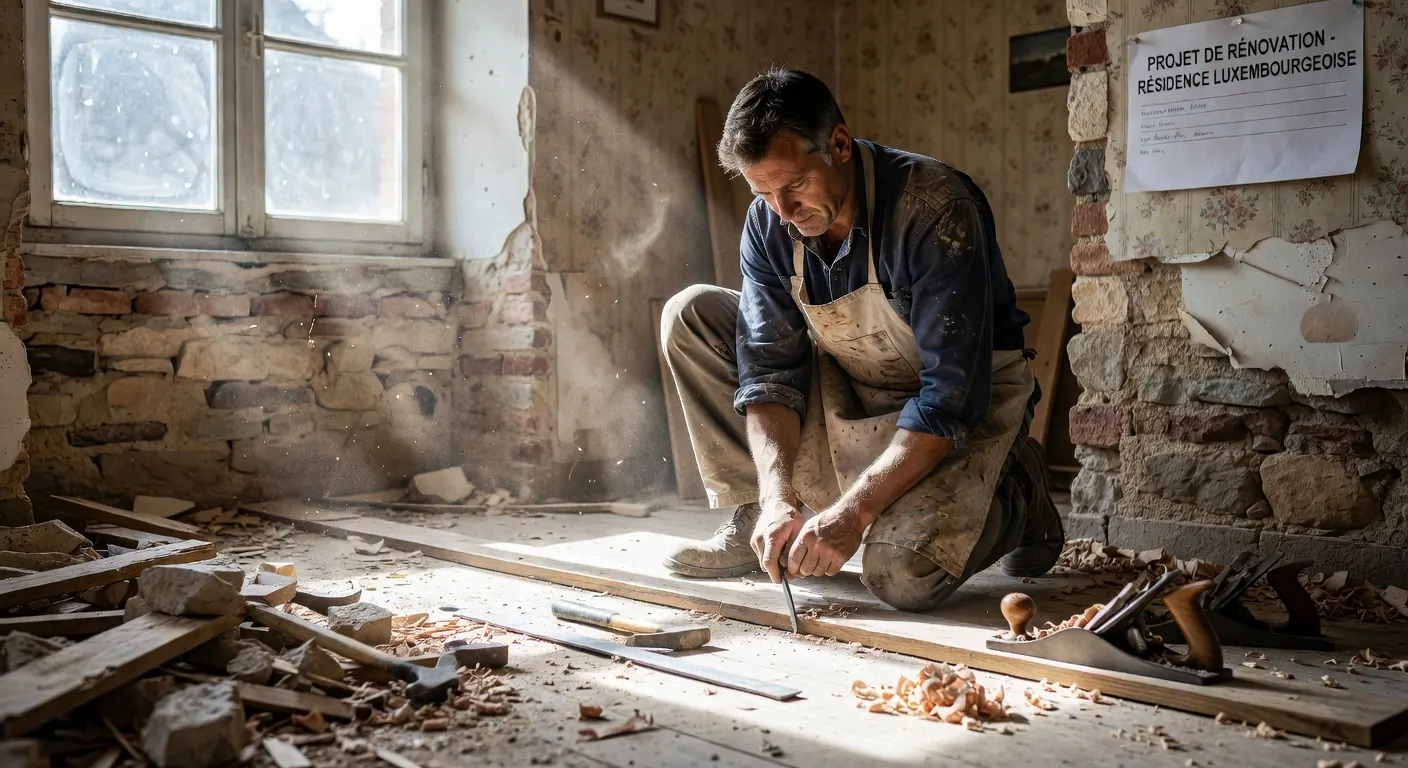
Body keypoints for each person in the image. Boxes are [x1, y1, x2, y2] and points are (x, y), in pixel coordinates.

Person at [658, 67, 1063, 612]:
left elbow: (950, 397)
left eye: (796, 185)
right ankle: (758, 513)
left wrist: (851, 517)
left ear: (840, 145)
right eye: (764, 192)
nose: (783, 211)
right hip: (852, 380)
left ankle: (1019, 491)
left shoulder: (935, 209)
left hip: (962, 401)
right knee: (692, 314)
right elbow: (769, 369)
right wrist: (778, 496)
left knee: (901, 575)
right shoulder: (769, 222)